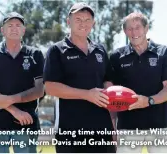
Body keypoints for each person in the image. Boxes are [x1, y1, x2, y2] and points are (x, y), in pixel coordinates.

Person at [43, 2, 116, 153]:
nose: (83, 23)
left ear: (93, 23)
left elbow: (108, 82)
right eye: (78, 19)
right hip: (70, 132)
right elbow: (50, 86)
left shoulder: (100, 50)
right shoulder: (56, 50)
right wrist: (87, 95)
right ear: (68, 21)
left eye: (88, 20)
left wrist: (113, 125)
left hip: (102, 130)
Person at [109, 12, 167, 153]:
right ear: (124, 31)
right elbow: (112, 96)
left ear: (146, 28)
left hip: (159, 127)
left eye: (138, 27)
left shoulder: (164, 53)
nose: (134, 32)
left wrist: (148, 101)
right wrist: (112, 127)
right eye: (129, 28)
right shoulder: (116, 57)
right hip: (127, 128)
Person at [0, 12, 44, 153]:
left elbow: (39, 90)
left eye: (18, 25)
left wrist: (10, 100)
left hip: (27, 122)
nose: (14, 28)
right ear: (2, 30)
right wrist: (15, 110)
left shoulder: (35, 54)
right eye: (10, 25)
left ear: (23, 30)